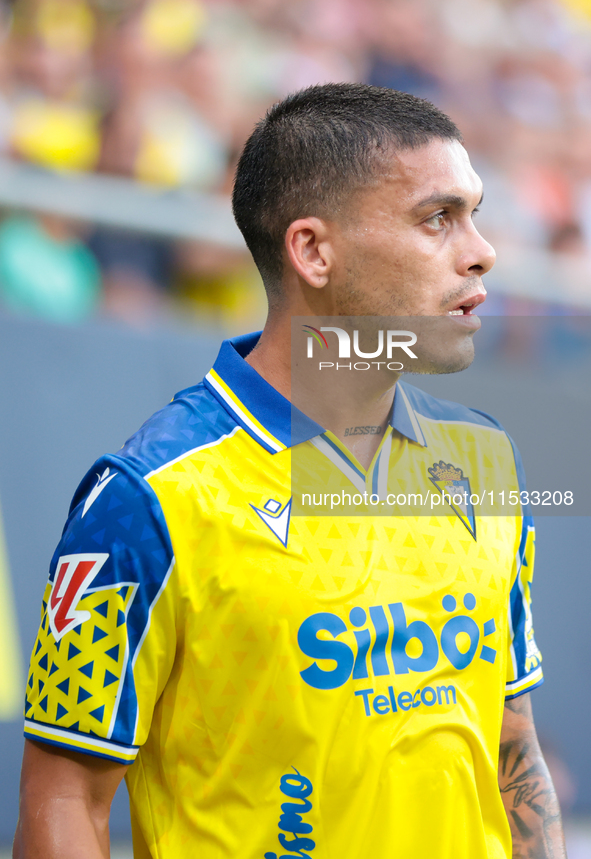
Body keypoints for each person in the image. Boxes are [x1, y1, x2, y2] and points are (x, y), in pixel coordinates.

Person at [13, 83, 566, 859]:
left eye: (472, 213)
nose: (481, 250)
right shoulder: (148, 498)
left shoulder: (487, 463)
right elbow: (63, 797)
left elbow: (513, 746)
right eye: (437, 217)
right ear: (311, 250)